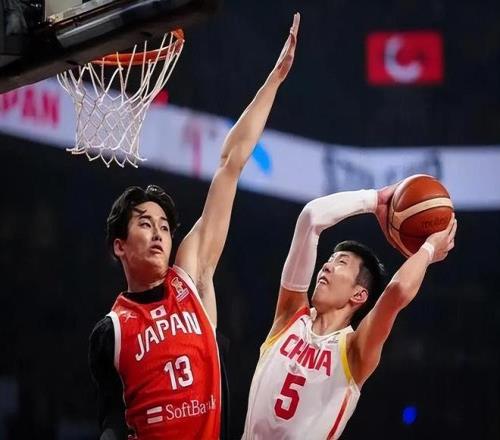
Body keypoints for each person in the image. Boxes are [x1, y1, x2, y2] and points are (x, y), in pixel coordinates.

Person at [88, 13, 301, 440]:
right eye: (145, 224)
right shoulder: (111, 331)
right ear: (119, 246)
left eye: (165, 227)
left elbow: (229, 164)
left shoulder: (190, 276)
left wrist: (274, 81)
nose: (158, 233)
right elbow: (111, 419)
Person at [243, 183, 457, 439]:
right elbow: (311, 218)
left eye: (341, 263)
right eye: (328, 261)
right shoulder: (290, 318)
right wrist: (374, 199)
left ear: (358, 294)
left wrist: (429, 248)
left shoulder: (354, 350)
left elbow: (398, 291)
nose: (326, 267)